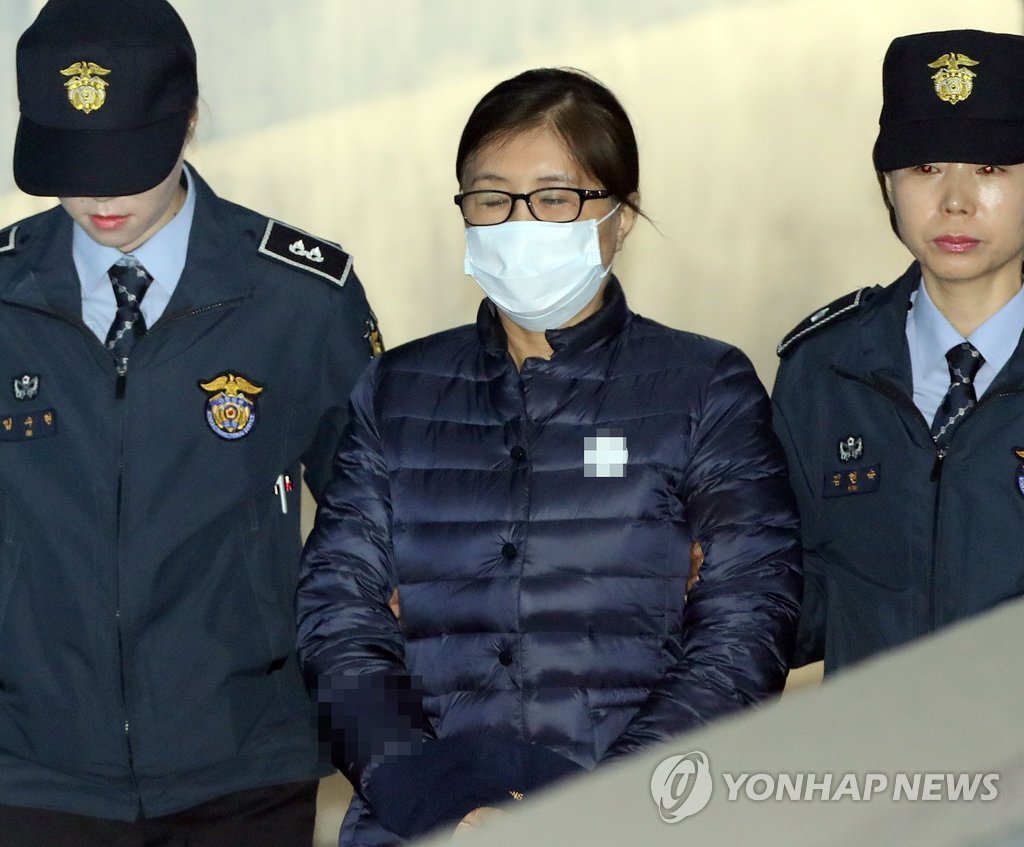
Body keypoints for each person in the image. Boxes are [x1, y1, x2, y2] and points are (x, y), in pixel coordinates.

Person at [297, 67, 802, 845]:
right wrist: (435, 794)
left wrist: (600, 810)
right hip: (424, 822)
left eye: (556, 198)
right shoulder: (397, 390)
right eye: (492, 198)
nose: (520, 224)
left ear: (621, 215)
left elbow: (746, 626)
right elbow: (337, 616)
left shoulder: (704, 387)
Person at [0, 1, 378, 844]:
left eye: (127, 159)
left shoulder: (298, 300)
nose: (100, 194)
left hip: (243, 766)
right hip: (31, 768)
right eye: (71, 161)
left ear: (190, 119)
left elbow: (378, 524)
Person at [773, 29, 1024, 674]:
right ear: (888, 186)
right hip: (876, 739)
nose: (955, 202)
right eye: (925, 168)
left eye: (991, 169)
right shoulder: (826, 371)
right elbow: (805, 606)